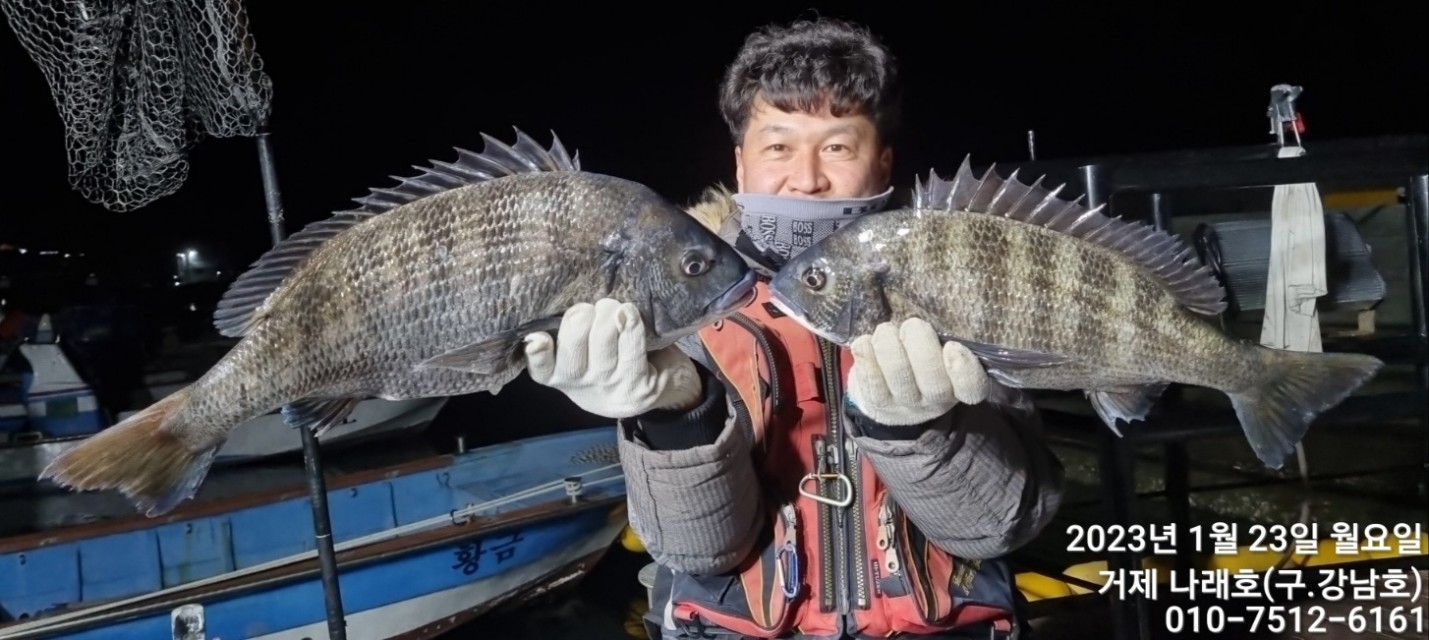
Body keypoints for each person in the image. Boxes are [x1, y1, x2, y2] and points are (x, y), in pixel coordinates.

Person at [522, 17, 1065, 640]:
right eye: (778, 147)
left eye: (838, 147)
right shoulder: (674, 297)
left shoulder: (962, 282)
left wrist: (921, 429)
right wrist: (674, 418)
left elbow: (1000, 527)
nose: (807, 179)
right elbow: (699, 552)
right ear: (741, 165)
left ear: (883, 162)